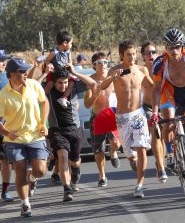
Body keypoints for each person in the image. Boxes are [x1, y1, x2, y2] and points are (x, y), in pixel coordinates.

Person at [151, 28, 185, 185]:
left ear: (182, 46)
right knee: (168, 120)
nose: (174, 51)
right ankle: (169, 153)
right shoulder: (159, 63)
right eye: (170, 47)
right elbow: (156, 89)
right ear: (165, 47)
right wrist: (155, 112)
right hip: (169, 91)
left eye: (177, 47)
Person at [101, 39, 152, 198]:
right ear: (122, 56)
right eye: (128, 55)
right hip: (122, 118)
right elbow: (103, 86)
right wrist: (113, 78)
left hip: (138, 114)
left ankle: (139, 185)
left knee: (142, 148)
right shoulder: (115, 70)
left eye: (134, 54)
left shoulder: (141, 70)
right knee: (130, 154)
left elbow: (153, 87)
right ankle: (131, 158)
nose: (132, 57)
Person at [0, 58, 49, 217]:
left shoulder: (34, 85)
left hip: (35, 135)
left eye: (26, 70)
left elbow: (44, 102)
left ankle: (32, 177)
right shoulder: (3, 95)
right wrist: (7, 133)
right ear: (12, 74)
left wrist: (43, 123)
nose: (26, 73)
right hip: (14, 140)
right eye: (22, 71)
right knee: (19, 169)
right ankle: (25, 203)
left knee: (41, 171)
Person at [46, 65, 97, 202]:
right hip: (57, 130)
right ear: (54, 82)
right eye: (60, 83)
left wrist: (74, 72)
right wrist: (45, 73)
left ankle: (75, 170)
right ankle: (67, 189)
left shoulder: (73, 87)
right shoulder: (49, 90)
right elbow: (34, 86)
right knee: (62, 156)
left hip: (75, 129)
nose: (63, 85)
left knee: (75, 161)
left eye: (65, 82)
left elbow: (93, 83)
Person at [84, 52, 121, 187]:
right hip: (97, 118)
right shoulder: (90, 81)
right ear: (94, 65)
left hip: (112, 117)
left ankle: (113, 151)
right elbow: (87, 104)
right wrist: (96, 93)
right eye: (99, 63)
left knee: (116, 144)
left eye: (105, 62)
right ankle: (102, 176)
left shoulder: (113, 78)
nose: (103, 65)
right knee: (98, 150)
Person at [140, 42, 168, 183]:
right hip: (149, 108)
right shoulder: (140, 70)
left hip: (165, 106)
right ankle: (162, 168)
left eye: (153, 52)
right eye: (148, 53)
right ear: (143, 56)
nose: (151, 55)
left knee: (165, 137)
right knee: (156, 131)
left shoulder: (164, 68)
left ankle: (160, 161)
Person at [45, 30, 75, 109]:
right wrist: (49, 64)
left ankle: (64, 98)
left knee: (72, 82)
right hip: (54, 73)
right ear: (65, 43)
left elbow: (70, 61)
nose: (71, 45)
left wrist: (70, 64)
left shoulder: (68, 52)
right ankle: (43, 97)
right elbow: (47, 60)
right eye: (71, 43)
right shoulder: (54, 52)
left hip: (64, 73)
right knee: (50, 83)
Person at [0, 50, 13, 202]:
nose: (3, 63)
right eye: (0, 60)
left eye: (4, 60)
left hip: (5, 127)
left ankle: (5, 191)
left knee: (6, 160)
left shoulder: (8, 77)